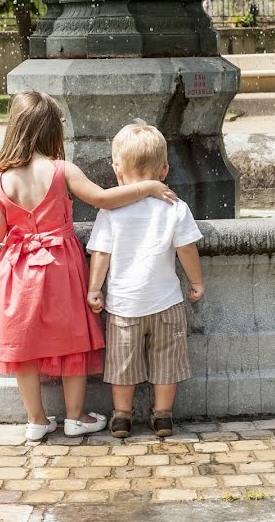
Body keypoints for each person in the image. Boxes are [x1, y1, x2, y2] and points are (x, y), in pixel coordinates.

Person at [0, 93, 177, 441]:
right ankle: (75, 417)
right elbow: (101, 198)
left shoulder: (2, 181)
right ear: (51, 130)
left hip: (18, 271)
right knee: (72, 342)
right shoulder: (61, 170)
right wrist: (148, 187)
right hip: (61, 266)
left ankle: (36, 421)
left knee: (22, 345)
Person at [86, 120, 204, 438]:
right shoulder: (175, 207)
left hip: (124, 304)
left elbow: (101, 253)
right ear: (164, 171)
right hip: (166, 301)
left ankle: (122, 416)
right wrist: (196, 282)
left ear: (117, 171)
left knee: (122, 362)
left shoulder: (110, 211)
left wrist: (95, 289)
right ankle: (163, 415)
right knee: (167, 360)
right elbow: (186, 249)